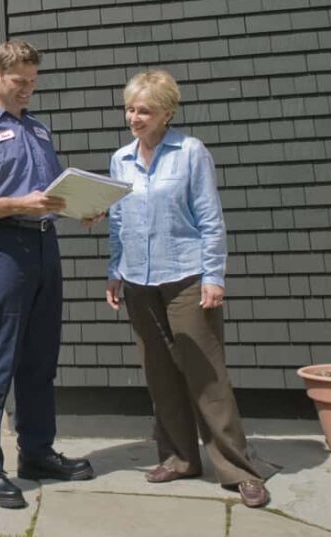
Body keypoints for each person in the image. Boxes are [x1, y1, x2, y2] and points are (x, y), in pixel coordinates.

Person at [105, 69, 272, 509]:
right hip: (138, 282)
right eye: (130, 108)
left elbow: (210, 218)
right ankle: (179, 458)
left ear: (167, 113)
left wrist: (213, 276)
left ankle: (240, 470)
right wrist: (114, 271)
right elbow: (119, 222)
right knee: (160, 375)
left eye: (144, 110)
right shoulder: (120, 160)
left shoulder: (190, 152)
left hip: (185, 278)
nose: (134, 117)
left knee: (207, 378)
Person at [0, 40, 93, 510]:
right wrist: (16, 205)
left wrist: (80, 208)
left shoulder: (39, 131)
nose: (28, 90)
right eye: (19, 82)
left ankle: (36, 454)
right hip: (5, 249)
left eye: (33, 82)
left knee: (40, 359)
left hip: (46, 247)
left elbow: (47, 195)